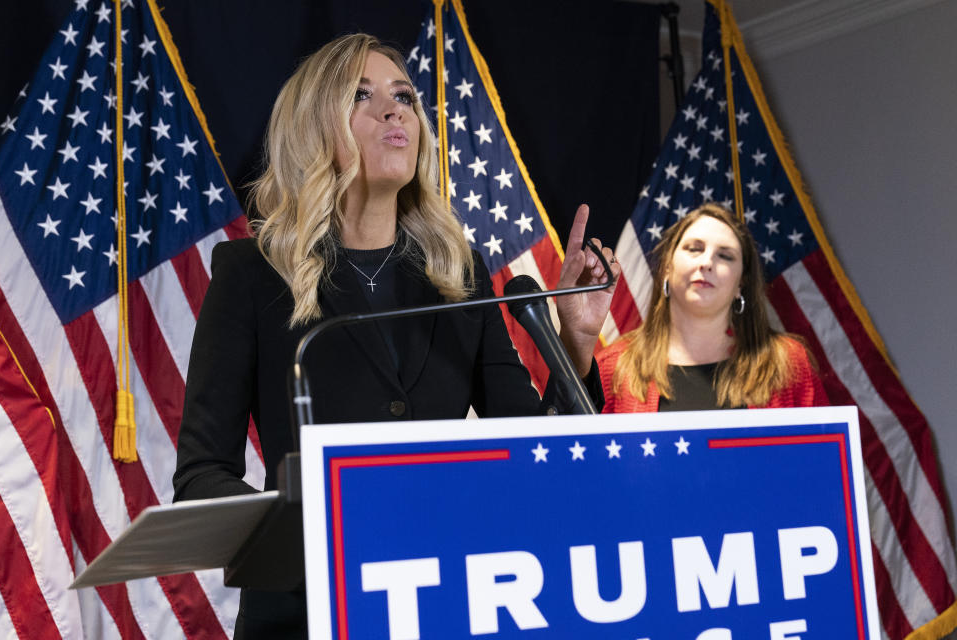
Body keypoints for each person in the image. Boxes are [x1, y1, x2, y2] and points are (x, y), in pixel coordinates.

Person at [172, 34, 619, 638]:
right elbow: (202, 475)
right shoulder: (251, 275)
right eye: (362, 96)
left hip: (444, 598)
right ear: (312, 127)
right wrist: (310, 519)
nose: (395, 109)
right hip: (308, 608)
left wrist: (576, 340)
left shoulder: (458, 272)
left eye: (404, 95)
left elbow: (534, 454)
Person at [599, 203, 827, 412]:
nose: (707, 263)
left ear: (741, 283)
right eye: (694, 249)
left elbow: (823, 454)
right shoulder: (614, 368)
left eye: (725, 256)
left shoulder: (787, 363)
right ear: (667, 268)